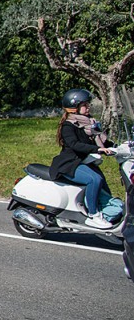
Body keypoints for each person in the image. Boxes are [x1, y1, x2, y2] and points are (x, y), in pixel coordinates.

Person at [49, 89, 116, 229]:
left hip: (83, 161)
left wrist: (116, 147)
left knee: (101, 180)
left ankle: (107, 209)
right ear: (74, 108)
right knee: (94, 179)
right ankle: (93, 215)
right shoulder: (68, 125)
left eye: (88, 104)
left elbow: (99, 142)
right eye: (85, 105)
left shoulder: (88, 124)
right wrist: (97, 149)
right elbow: (75, 145)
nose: (88, 107)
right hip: (69, 163)